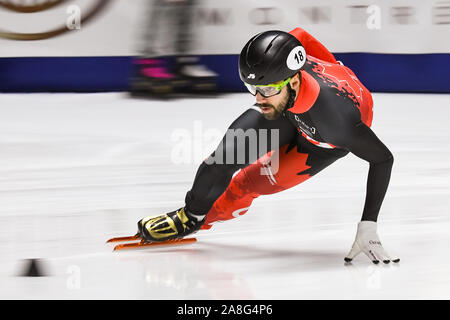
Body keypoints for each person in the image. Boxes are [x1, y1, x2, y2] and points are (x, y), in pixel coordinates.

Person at [137, 27, 399, 264]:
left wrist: (368, 225)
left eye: (267, 90)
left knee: (248, 183)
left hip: (320, 141)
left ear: (294, 81)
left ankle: (206, 221)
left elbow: (382, 159)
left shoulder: (337, 123)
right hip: (291, 108)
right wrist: (327, 67)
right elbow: (302, 36)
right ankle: (190, 218)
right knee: (225, 156)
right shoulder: (282, 70)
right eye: (253, 88)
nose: (259, 98)